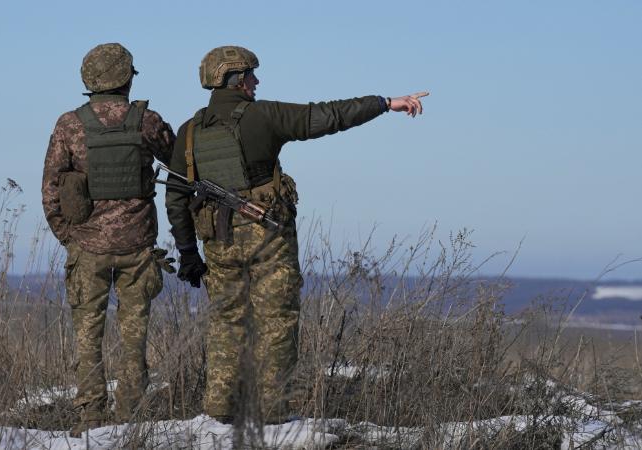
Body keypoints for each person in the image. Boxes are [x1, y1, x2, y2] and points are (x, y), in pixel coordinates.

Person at [165, 45, 427, 423]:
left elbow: (176, 194)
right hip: (268, 240)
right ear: (235, 79)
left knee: (225, 325)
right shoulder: (264, 116)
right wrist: (385, 103)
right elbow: (329, 116)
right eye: (251, 75)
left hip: (218, 244)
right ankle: (273, 418)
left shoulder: (188, 133)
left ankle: (216, 421)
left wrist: (188, 252)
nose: (257, 81)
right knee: (277, 323)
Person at [41, 43, 176, 434]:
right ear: (126, 78)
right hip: (137, 248)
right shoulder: (146, 121)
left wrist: (69, 237)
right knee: (134, 335)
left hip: (87, 248)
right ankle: (129, 415)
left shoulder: (70, 124)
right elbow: (181, 165)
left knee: (88, 336)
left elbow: (51, 189)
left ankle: (91, 417)